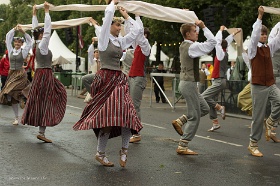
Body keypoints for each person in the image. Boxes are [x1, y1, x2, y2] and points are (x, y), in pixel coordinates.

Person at [73, 0, 142, 167]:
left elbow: (137, 31)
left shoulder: (120, 41)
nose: (120, 28)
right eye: (117, 25)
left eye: (120, 25)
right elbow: (108, 16)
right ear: (109, 26)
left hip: (119, 80)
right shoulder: (103, 40)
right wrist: (112, 3)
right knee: (108, 120)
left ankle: (124, 150)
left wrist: (129, 15)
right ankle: (100, 152)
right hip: (106, 79)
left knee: (127, 116)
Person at [21, 2, 67, 143]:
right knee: (52, 97)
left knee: (42, 101)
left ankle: (41, 131)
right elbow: (47, 30)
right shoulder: (42, 44)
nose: (44, 35)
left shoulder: (35, 43)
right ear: (41, 35)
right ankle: (42, 131)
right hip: (45, 74)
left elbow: (35, 29)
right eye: (42, 34)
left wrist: (34, 14)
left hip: (41, 74)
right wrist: (47, 12)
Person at [171, 20, 216, 155]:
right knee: (195, 116)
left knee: (205, 108)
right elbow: (212, 42)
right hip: (189, 84)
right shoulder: (193, 47)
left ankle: (180, 121)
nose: (197, 33)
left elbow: (189, 29)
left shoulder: (185, 44)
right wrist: (204, 26)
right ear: (188, 34)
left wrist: (190, 19)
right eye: (194, 31)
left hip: (188, 83)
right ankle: (183, 145)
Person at [247, 6, 280, 157]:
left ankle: (271, 122)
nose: (264, 36)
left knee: (279, 100)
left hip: (270, 83)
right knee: (258, 117)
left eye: (265, 34)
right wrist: (259, 17)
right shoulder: (253, 49)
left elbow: (278, 38)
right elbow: (254, 36)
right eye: (262, 34)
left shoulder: (269, 47)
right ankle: (253, 144)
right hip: (258, 86)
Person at [202, 26, 241, 132]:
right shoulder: (225, 52)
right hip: (220, 80)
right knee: (211, 101)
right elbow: (226, 41)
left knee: (203, 97)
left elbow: (217, 41)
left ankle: (219, 108)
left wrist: (220, 30)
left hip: (219, 80)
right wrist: (233, 34)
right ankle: (215, 122)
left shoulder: (220, 54)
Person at [123, 14, 151, 143]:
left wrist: (130, 16)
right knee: (130, 103)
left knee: (135, 105)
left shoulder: (146, 46)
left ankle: (137, 132)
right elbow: (131, 31)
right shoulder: (137, 45)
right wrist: (134, 16)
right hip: (133, 76)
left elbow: (138, 31)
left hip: (139, 78)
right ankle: (131, 128)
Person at [0, 25, 31, 125]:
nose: (17, 43)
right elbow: (8, 36)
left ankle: (22, 96)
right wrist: (14, 29)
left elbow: (30, 42)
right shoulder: (10, 50)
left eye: (19, 42)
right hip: (11, 74)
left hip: (20, 74)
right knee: (9, 95)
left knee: (10, 90)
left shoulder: (24, 51)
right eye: (16, 42)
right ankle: (16, 117)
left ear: (22, 44)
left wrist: (23, 32)